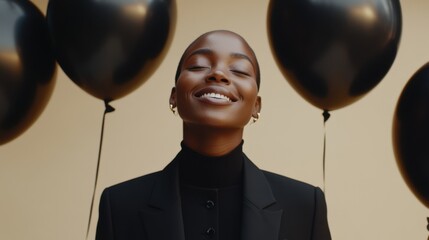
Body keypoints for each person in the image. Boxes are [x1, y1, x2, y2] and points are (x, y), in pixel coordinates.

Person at [95, 30, 331, 240]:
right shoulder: (119, 206)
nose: (218, 74)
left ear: (256, 107)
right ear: (174, 96)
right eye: (198, 65)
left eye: (239, 70)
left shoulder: (305, 206)